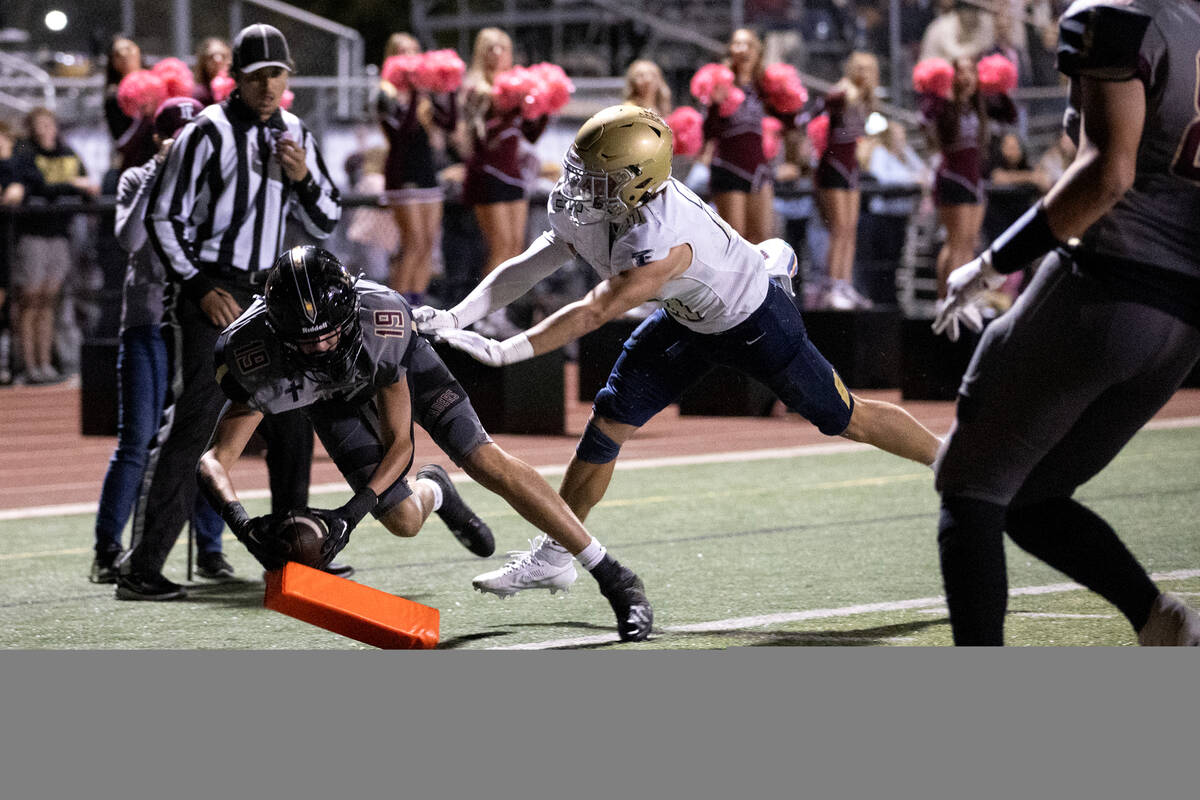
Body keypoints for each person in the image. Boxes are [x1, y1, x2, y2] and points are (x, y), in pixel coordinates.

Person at [415, 105, 941, 600]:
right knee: (607, 423)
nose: (578, 189)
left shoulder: (662, 235)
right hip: (686, 316)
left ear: (638, 182)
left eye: (598, 180)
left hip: (752, 321)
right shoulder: (604, 201)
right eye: (581, 171)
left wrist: (505, 350)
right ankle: (557, 552)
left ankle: (951, 462)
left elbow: (596, 309)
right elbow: (535, 261)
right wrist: (457, 315)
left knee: (847, 419)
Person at [199, 246, 653, 642]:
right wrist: (241, 525)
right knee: (403, 520)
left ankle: (615, 577)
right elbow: (214, 461)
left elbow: (400, 444)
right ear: (275, 332)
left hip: (397, 369)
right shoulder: (249, 353)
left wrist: (348, 516)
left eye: (329, 334)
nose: (319, 350)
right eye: (305, 341)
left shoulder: (382, 320)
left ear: (348, 313)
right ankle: (435, 489)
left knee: (484, 459)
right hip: (333, 405)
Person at [930, 0, 1200, 646]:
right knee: (1032, 496)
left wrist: (993, 264)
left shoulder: (1114, 14)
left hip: (1107, 284)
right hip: (1185, 320)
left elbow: (1107, 173)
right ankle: (1162, 621)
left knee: (968, 482)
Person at [116, 23, 341, 601]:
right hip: (216, 290)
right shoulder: (205, 132)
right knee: (196, 425)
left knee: (294, 424)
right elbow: (163, 217)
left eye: (277, 75)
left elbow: (328, 217)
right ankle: (141, 569)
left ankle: (294, 558)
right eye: (257, 76)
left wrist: (304, 178)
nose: (268, 86)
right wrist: (197, 287)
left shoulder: (295, 131)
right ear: (235, 80)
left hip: (274, 294)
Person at [90, 98, 229, 584]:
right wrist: (157, 176)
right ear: (159, 139)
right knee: (138, 439)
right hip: (148, 323)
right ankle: (109, 547)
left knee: (203, 435)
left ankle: (211, 547)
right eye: (178, 135)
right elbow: (129, 238)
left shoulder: (206, 183)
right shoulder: (135, 178)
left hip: (193, 322)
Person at [456, 27, 547, 336]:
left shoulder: (517, 87)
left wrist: (543, 107)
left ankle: (500, 313)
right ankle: (483, 315)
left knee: (514, 248)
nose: (497, 53)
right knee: (497, 249)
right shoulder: (475, 89)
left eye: (502, 48)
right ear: (480, 53)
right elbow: (483, 141)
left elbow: (530, 136)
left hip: (513, 175)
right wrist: (511, 109)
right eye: (490, 48)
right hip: (487, 174)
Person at [14, 107, 99, 384]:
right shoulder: (26, 154)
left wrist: (76, 186)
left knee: (50, 299)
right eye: (39, 124)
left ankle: (46, 363)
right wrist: (72, 186)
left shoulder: (68, 152)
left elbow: (88, 185)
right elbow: (39, 187)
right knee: (31, 299)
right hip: (33, 234)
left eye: (49, 123)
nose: (45, 129)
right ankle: (28, 363)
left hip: (61, 233)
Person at [920, 57, 1016, 298]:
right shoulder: (944, 105)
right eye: (961, 72)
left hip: (975, 181)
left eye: (972, 72)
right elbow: (924, 118)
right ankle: (947, 298)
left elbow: (1010, 115)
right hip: (953, 178)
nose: (967, 78)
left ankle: (963, 298)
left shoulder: (978, 106)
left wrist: (996, 87)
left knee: (969, 242)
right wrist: (939, 90)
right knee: (955, 242)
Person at [376, 32, 457, 305]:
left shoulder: (421, 92)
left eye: (414, 51)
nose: (410, 57)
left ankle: (416, 307)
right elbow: (403, 133)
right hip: (402, 173)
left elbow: (449, 123)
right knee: (412, 244)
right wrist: (413, 94)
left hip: (426, 173)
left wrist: (447, 88)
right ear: (391, 58)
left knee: (426, 245)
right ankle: (394, 310)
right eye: (402, 52)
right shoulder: (384, 94)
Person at [703, 29, 801, 246]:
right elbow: (708, 133)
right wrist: (716, 104)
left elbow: (789, 123)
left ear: (758, 52)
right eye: (737, 44)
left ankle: (758, 281)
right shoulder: (720, 84)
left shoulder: (763, 87)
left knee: (763, 238)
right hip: (728, 168)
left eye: (748, 45)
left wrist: (790, 99)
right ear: (730, 50)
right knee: (736, 242)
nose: (742, 49)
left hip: (758, 169)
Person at [813, 51, 878, 310]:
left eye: (868, 69)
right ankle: (831, 285)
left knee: (850, 229)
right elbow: (819, 113)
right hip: (833, 166)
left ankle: (845, 283)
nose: (863, 73)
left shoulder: (865, 98)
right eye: (859, 68)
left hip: (851, 167)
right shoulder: (841, 93)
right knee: (839, 228)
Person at [0, 120, 38, 386]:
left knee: (8, 302)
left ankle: (8, 365)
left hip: (6, 242)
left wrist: (18, 187)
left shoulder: (17, 163)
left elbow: (32, 183)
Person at [103, 35, 155, 173]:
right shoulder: (113, 96)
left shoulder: (157, 83)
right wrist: (144, 116)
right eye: (117, 54)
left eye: (128, 48)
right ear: (112, 62)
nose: (124, 55)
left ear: (139, 51)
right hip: (136, 167)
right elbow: (121, 142)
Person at [191, 37, 233, 107]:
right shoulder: (199, 94)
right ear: (203, 62)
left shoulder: (238, 90)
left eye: (223, 55)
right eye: (211, 56)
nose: (217, 60)